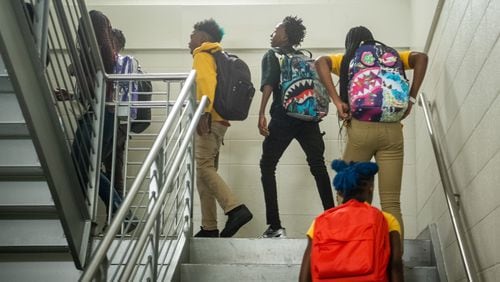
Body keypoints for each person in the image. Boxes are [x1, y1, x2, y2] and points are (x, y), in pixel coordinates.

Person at [315, 26, 428, 240]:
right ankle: (395, 262)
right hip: (393, 132)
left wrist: (337, 101)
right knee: (392, 202)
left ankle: (354, 252)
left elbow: (320, 62)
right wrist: (411, 100)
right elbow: (422, 57)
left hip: (361, 130)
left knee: (349, 198)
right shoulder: (391, 56)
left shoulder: (348, 59)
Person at [258, 16, 334, 238]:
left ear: (286, 34)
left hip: (284, 116)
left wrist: (261, 113)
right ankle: (332, 219)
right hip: (309, 117)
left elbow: (269, 84)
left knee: (267, 165)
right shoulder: (306, 58)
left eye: (275, 30)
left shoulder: (273, 55)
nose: (272, 34)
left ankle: (275, 226)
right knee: (318, 166)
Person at [189, 18, 253, 238]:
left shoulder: (203, 53)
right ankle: (209, 227)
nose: (190, 39)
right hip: (220, 122)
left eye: (193, 34)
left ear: (204, 38)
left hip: (209, 120)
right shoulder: (219, 56)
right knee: (204, 173)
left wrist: (202, 113)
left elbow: (206, 83)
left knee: (203, 167)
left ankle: (235, 209)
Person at [299, 160, 403, 282]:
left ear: (339, 191)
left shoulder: (319, 222)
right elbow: (395, 265)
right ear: (370, 188)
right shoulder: (387, 219)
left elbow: (305, 273)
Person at [103, 28, 130, 196]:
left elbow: (121, 92)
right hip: (112, 120)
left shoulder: (122, 62)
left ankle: (119, 213)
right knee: (113, 171)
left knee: (90, 165)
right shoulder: (107, 63)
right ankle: (119, 215)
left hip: (116, 121)